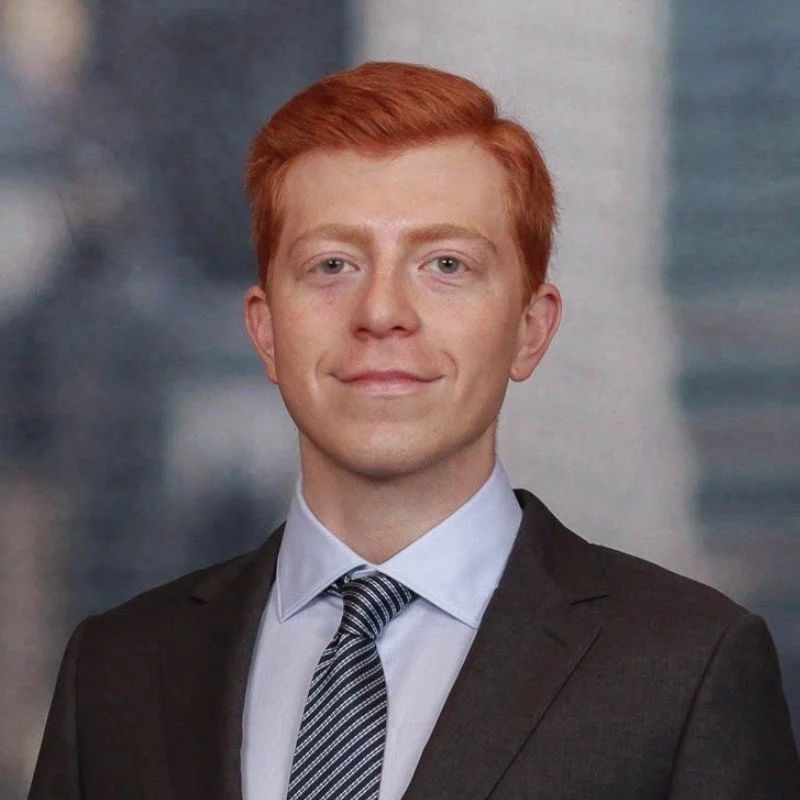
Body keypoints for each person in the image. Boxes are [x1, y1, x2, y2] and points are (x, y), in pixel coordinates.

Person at [30, 61, 799, 800]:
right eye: (332, 265)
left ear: (530, 329)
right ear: (265, 332)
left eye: (446, 265)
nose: (382, 312)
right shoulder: (114, 669)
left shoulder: (689, 668)